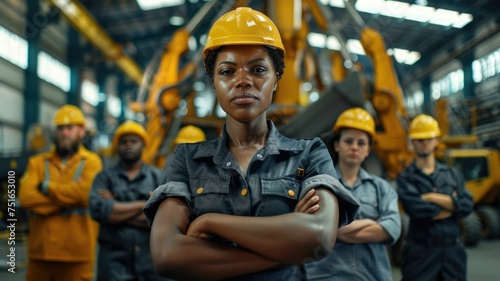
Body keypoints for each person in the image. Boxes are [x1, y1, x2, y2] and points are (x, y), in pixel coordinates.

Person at [143, 7, 359, 281]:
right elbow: (167, 255)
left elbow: (318, 237)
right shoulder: (187, 159)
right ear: (214, 82)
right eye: (227, 71)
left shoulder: (309, 154)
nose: (243, 80)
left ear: (276, 78)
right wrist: (288, 248)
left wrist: (211, 222)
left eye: (258, 69)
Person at [306, 108, 402, 280]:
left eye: (361, 143)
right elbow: (315, 231)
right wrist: (372, 222)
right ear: (337, 145)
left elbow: (392, 229)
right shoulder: (319, 186)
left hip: (371, 276)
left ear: (368, 149)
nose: (354, 147)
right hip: (327, 276)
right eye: (348, 141)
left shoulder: (382, 188)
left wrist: (336, 229)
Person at [19, 104, 103, 281]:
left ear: (81, 131)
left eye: (69, 128)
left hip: (77, 254)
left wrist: (46, 187)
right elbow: (25, 198)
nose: (64, 133)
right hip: (41, 252)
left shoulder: (92, 162)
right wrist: (59, 205)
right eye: (60, 128)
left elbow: (84, 194)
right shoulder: (37, 162)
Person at [397, 114, 473, 281]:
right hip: (421, 254)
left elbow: (467, 204)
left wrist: (432, 197)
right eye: (420, 139)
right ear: (412, 141)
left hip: (454, 254)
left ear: (436, 140)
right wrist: (453, 206)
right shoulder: (405, 178)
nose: (425, 142)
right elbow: (418, 211)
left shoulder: (452, 174)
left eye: (429, 138)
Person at [89, 121, 166, 281]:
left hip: (151, 261)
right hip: (114, 264)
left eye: (134, 141)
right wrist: (146, 204)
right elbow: (100, 211)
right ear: (117, 146)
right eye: (124, 142)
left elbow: (164, 219)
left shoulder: (158, 178)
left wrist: (117, 209)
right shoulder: (104, 178)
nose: (128, 145)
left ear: (143, 145)